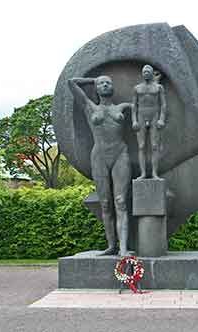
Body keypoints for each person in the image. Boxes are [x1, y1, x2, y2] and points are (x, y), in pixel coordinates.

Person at [68, 76, 132, 256]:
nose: (105, 84)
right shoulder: (90, 107)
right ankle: (111, 246)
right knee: (105, 204)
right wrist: (92, 79)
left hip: (120, 154)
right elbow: (71, 82)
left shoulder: (123, 108)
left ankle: (124, 248)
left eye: (109, 82)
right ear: (96, 88)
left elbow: (148, 104)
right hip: (99, 157)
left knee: (120, 201)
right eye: (101, 83)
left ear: (113, 87)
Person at [132, 65, 167, 180]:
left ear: (152, 73)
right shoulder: (137, 88)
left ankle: (154, 173)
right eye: (144, 72)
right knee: (141, 146)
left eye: (148, 72)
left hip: (154, 116)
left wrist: (161, 118)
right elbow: (134, 106)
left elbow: (163, 104)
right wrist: (134, 120)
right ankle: (142, 173)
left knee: (154, 146)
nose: (146, 73)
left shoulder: (158, 87)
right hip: (141, 116)